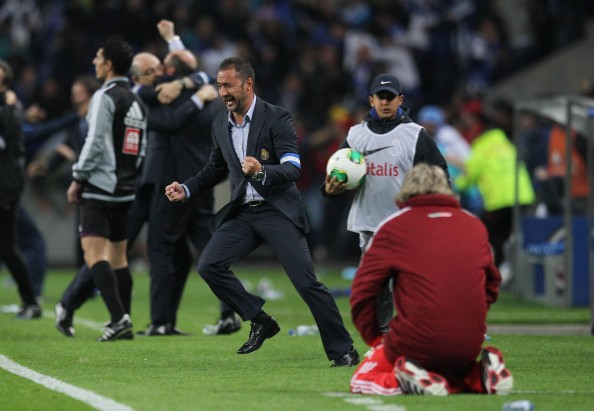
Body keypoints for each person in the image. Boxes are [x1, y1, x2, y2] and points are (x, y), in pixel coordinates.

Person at [165, 57, 359, 366]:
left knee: (306, 283)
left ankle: (344, 350)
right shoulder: (220, 123)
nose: (223, 92)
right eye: (219, 86)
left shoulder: (277, 117)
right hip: (243, 213)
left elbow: (293, 167)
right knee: (209, 265)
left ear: (248, 84)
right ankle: (260, 320)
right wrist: (186, 188)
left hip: (277, 211)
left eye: (228, 85)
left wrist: (261, 171)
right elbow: (216, 167)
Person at [349, 163, 513, 396]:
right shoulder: (474, 225)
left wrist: (374, 337)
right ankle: (480, 376)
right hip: (469, 343)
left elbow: (363, 290)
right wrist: (468, 319)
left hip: (415, 342)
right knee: (451, 373)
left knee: (361, 380)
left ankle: (405, 379)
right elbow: (492, 283)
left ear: (406, 189)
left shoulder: (394, 226)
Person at [324, 74, 449, 332]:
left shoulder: (415, 135)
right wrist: (330, 190)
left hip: (407, 224)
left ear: (400, 100)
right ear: (371, 100)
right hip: (369, 222)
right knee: (377, 285)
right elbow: (337, 174)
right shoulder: (356, 135)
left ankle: (417, 333)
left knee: (410, 284)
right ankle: (383, 338)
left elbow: (440, 174)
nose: (385, 102)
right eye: (380, 97)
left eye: (390, 97)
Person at [66, 37, 147, 342]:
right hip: (125, 187)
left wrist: (78, 176)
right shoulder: (137, 100)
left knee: (93, 253)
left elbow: (95, 141)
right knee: (119, 258)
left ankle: (118, 318)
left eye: (98, 58)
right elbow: (140, 147)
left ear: (109, 64)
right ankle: (124, 322)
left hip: (100, 186)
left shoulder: (103, 96)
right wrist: (129, 176)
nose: (94, 62)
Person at [455, 99, 535, 275]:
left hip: (499, 200)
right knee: (508, 231)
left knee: (488, 233)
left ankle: (500, 267)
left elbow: (469, 178)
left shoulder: (481, 147)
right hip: (523, 195)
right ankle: (509, 257)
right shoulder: (504, 141)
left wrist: (454, 183)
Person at [0, 59, 41, 319]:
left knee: (7, 247)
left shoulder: (11, 108)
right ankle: (30, 301)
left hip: (5, 186)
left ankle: (31, 301)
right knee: (7, 247)